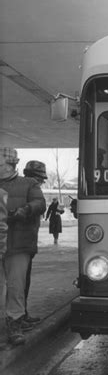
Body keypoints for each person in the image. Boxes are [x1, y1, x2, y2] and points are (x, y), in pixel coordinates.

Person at [0, 148, 46, 346]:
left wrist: (25, 210)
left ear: (10, 165)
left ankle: (14, 324)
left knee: (15, 286)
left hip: (18, 244)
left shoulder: (29, 183)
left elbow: (40, 203)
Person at [22, 160, 48, 324]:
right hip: (22, 244)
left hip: (21, 243)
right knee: (20, 282)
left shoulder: (16, 188)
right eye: (41, 180)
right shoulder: (33, 189)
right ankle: (19, 317)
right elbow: (40, 207)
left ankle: (21, 315)